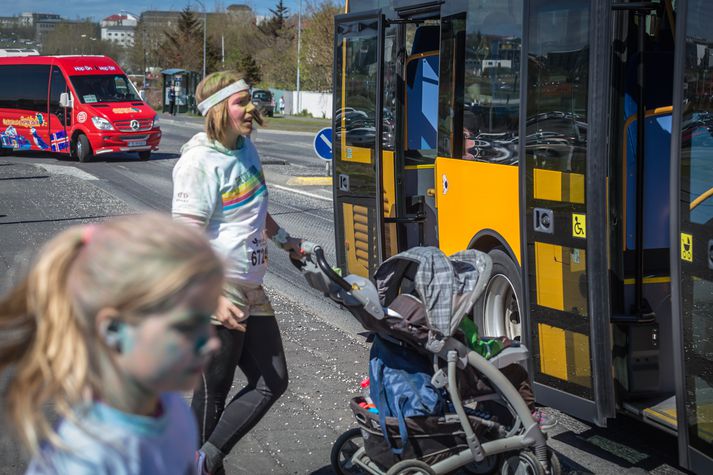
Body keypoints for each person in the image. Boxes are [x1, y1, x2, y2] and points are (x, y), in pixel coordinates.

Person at [0, 213, 224, 474]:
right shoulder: (85, 459)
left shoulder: (173, 410)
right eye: (186, 326)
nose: (212, 342)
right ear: (114, 330)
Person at [172, 70, 302, 475]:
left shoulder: (245, 148)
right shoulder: (199, 162)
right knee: (212, 395)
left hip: (251, 286)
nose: (251, 108)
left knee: (273, 379)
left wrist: (287, 242)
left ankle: (204, 460)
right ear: (216, 111)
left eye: (250, 100)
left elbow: (254, 212)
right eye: (240, 102)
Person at [459, 317, 557, 431]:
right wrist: (501, 344)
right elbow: (480, 352)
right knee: (517, 372)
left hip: (457, 379)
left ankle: (486, 409)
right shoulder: (462, 323)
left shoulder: (440, 325)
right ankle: (530, 415)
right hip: (472, 381)